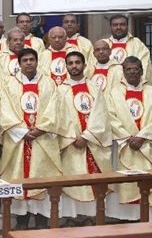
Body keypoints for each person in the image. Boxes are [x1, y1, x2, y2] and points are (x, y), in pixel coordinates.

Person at [37, 52, 112, 222]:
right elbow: (57, 117)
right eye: (70, 63)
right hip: (70, 144)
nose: (74, 66)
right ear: (66, 66)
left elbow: (101, 115)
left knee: (91, 181)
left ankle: (90, 217)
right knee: (71, 180)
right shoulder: (60, 90)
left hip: (92, 143)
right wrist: (72, 137)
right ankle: (71, 218)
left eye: (77, 62)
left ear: (84, 65)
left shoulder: (94, 88)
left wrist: (87, 136)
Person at [0, 48, 59, 230]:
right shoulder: (9, 84)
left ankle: (41, 220)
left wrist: (40, 129)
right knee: (19, 178)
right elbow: (5, 110)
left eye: (32, 59)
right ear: (19, 63)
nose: (29, 63)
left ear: (37, 62)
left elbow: (54, 109)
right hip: (18, 140)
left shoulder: (48, 83)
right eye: (25, 60)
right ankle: (21, 220)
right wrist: (22, 131)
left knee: (41, 177)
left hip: (42, 139)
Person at [107, 56, 152, 221]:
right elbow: (110, 117)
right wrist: (127, 137)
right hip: (124, 145)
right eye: (128, 69)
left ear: (142, 71)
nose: (132, 72)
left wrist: (142, 137)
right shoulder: (114, 93)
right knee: (125, 180)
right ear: (123, 72)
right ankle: (126, 216)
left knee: (151, 178)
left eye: (136, 69)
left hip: (147, 144)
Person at [106, 14, 152, 84]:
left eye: (122, 24)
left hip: (131, 86)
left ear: (127, 26)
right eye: (115, 25)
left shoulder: (137, 44)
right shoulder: (104, 45)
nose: (119, 27)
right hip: (108, 86)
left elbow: (144, 67)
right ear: (110, 27)